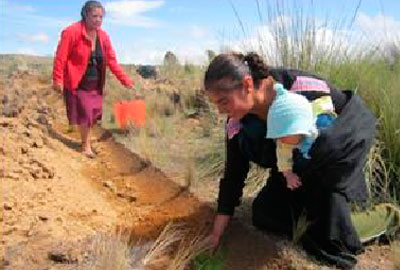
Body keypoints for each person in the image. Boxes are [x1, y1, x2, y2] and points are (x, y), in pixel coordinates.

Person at [204, 52, 376, 269]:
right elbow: (234, 173)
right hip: (292, 163)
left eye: (223, 102)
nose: (220, 111)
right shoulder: (238, 120)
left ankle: (384, 216)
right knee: (264, 213)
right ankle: (309, 205)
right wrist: (217, 232)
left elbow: (342, 134)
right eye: (215, 104)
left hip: (337, 151)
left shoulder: (301, 91)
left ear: (247, 84)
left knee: (331, 237)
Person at [53, 0, 134, 158]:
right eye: (94, 16)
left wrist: (125, 80)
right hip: (78, 81)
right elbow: (60, 57)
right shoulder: (71, 31)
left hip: (95, 82)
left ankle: (86, 140)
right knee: (86, 113)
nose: (98, 20)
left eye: (101, 17)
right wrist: (58, 79)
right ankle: (86, 146)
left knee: (93, 114)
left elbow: (111, 60)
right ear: (85, 15)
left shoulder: (103, 36)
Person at [266, 83, 337, 190]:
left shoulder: (322, 127)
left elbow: (336, 147)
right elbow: (283, 159)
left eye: (283, 135)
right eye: (277, 136)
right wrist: (289, 175)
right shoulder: (284, 142)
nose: (280, 140)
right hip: (306, 161)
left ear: (297, 128)